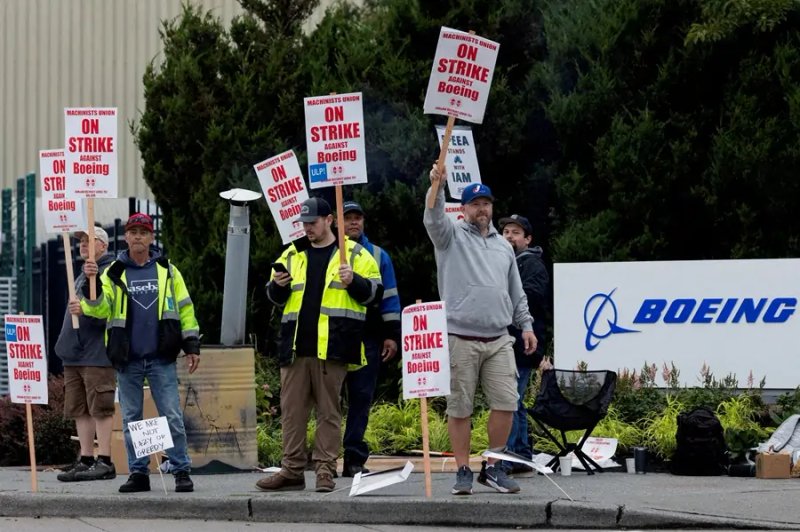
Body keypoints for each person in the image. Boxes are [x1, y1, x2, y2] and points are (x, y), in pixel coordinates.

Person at [256, 197, 382, 493]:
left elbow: (375, 294)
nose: (307, 228)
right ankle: (292, 471)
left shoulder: (355, 254)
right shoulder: (291, 254)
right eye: (304, 223)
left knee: (329, 412)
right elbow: (273, 297)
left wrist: (354, 281)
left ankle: (325, 470)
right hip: (295, 348)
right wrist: (277, 286)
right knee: (292, 412)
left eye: (312, 222)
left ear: (329, 220)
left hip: (334, 346)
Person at [423, 167, 537, 495]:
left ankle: (493, 467)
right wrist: (437, 186)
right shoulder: (449, 236)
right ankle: (462, 470)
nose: (481, 209)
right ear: (463, 209)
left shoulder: (504, 246)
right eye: (475, 204)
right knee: (460, 407)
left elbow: (515, 290)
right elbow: (433, 217)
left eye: (486, 203)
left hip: (499, 337)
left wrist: (526, 325)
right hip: (460, 336)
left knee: (507, 403)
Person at [70, 212, 200, 494]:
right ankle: (139, 473)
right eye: (133, 232)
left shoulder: (168, 270)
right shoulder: (114, 272)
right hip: (127, 358)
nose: (138, 237)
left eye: (144, 232)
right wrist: (92, 288)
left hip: (161, 357)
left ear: (151, 237)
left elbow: (185, 308)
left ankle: (181, 470)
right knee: (131, 420)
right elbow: (100, 309)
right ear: (126, 237)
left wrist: (191, 345)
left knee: (172, 416)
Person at [340, 200, 401, 477]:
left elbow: (390, 297)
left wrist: (391, 335)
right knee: (328, 401)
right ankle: (324, 458)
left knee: (361, 398)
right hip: (333, 336)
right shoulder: (329, 252)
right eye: (348, 218)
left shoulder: (378, 255)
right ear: (336, 222)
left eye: (358, 217)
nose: (354, 222)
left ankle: (353, 459)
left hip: (368, 337)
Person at [55, 226, 117, 482]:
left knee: (100, 407)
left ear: (103, 245)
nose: (83, 244)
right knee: (79, 408)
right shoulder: (82, 273)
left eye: (90, 241)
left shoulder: (109, 271)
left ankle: (105, 460)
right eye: (81, 241)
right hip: (75, 353)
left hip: (96, 353)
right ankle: (87, 458)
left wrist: (86, 304)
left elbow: (106, 309)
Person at [498, 214, 550, 474]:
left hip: (524, 344)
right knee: (514, 400)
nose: (509, 236)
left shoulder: (532, 265)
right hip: (512, 342)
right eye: (506, 232)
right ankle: (520, 454)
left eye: (516, 232)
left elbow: (530, 298)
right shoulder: (505, 262)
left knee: (510, 400)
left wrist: (499, 296)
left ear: (528, 239)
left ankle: (510, 457)